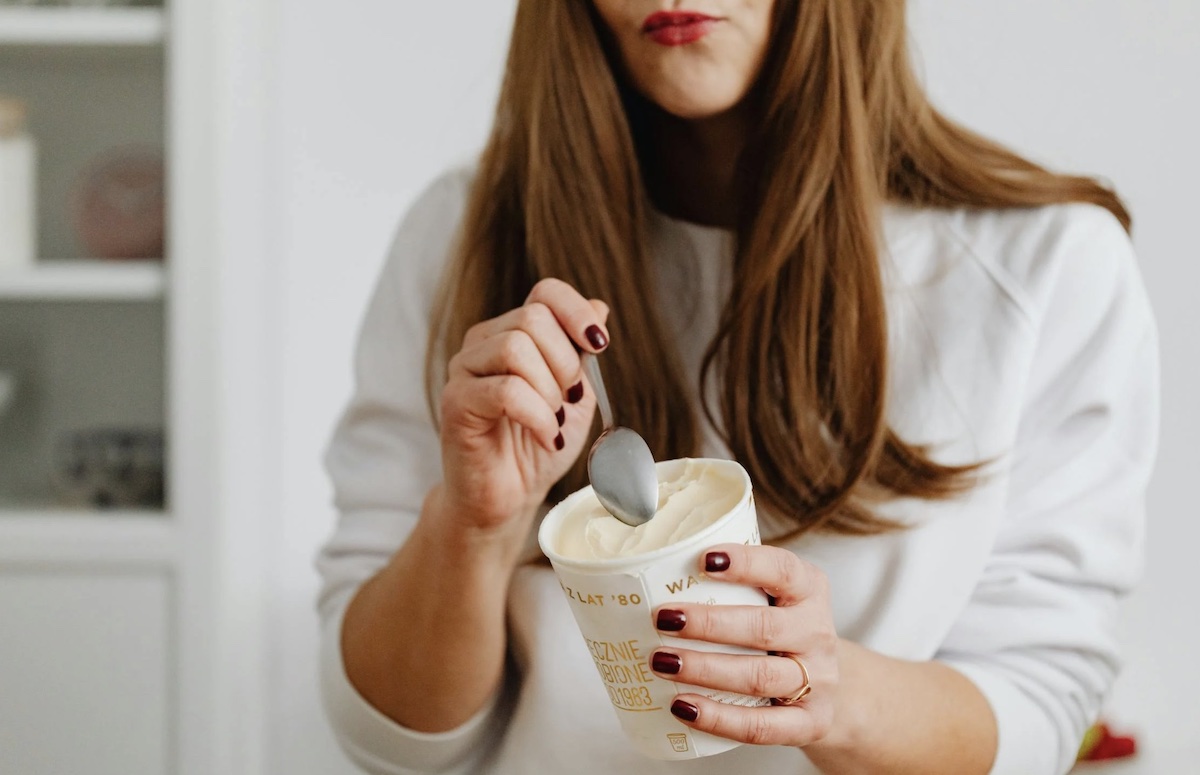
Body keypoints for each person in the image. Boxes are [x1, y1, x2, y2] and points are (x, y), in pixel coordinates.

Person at [316, 1, 1159, 773]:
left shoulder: (1048, 266)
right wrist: (474, 527)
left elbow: (1038, 709)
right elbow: (388, 740)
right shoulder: (462, 239)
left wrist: (834, 696)